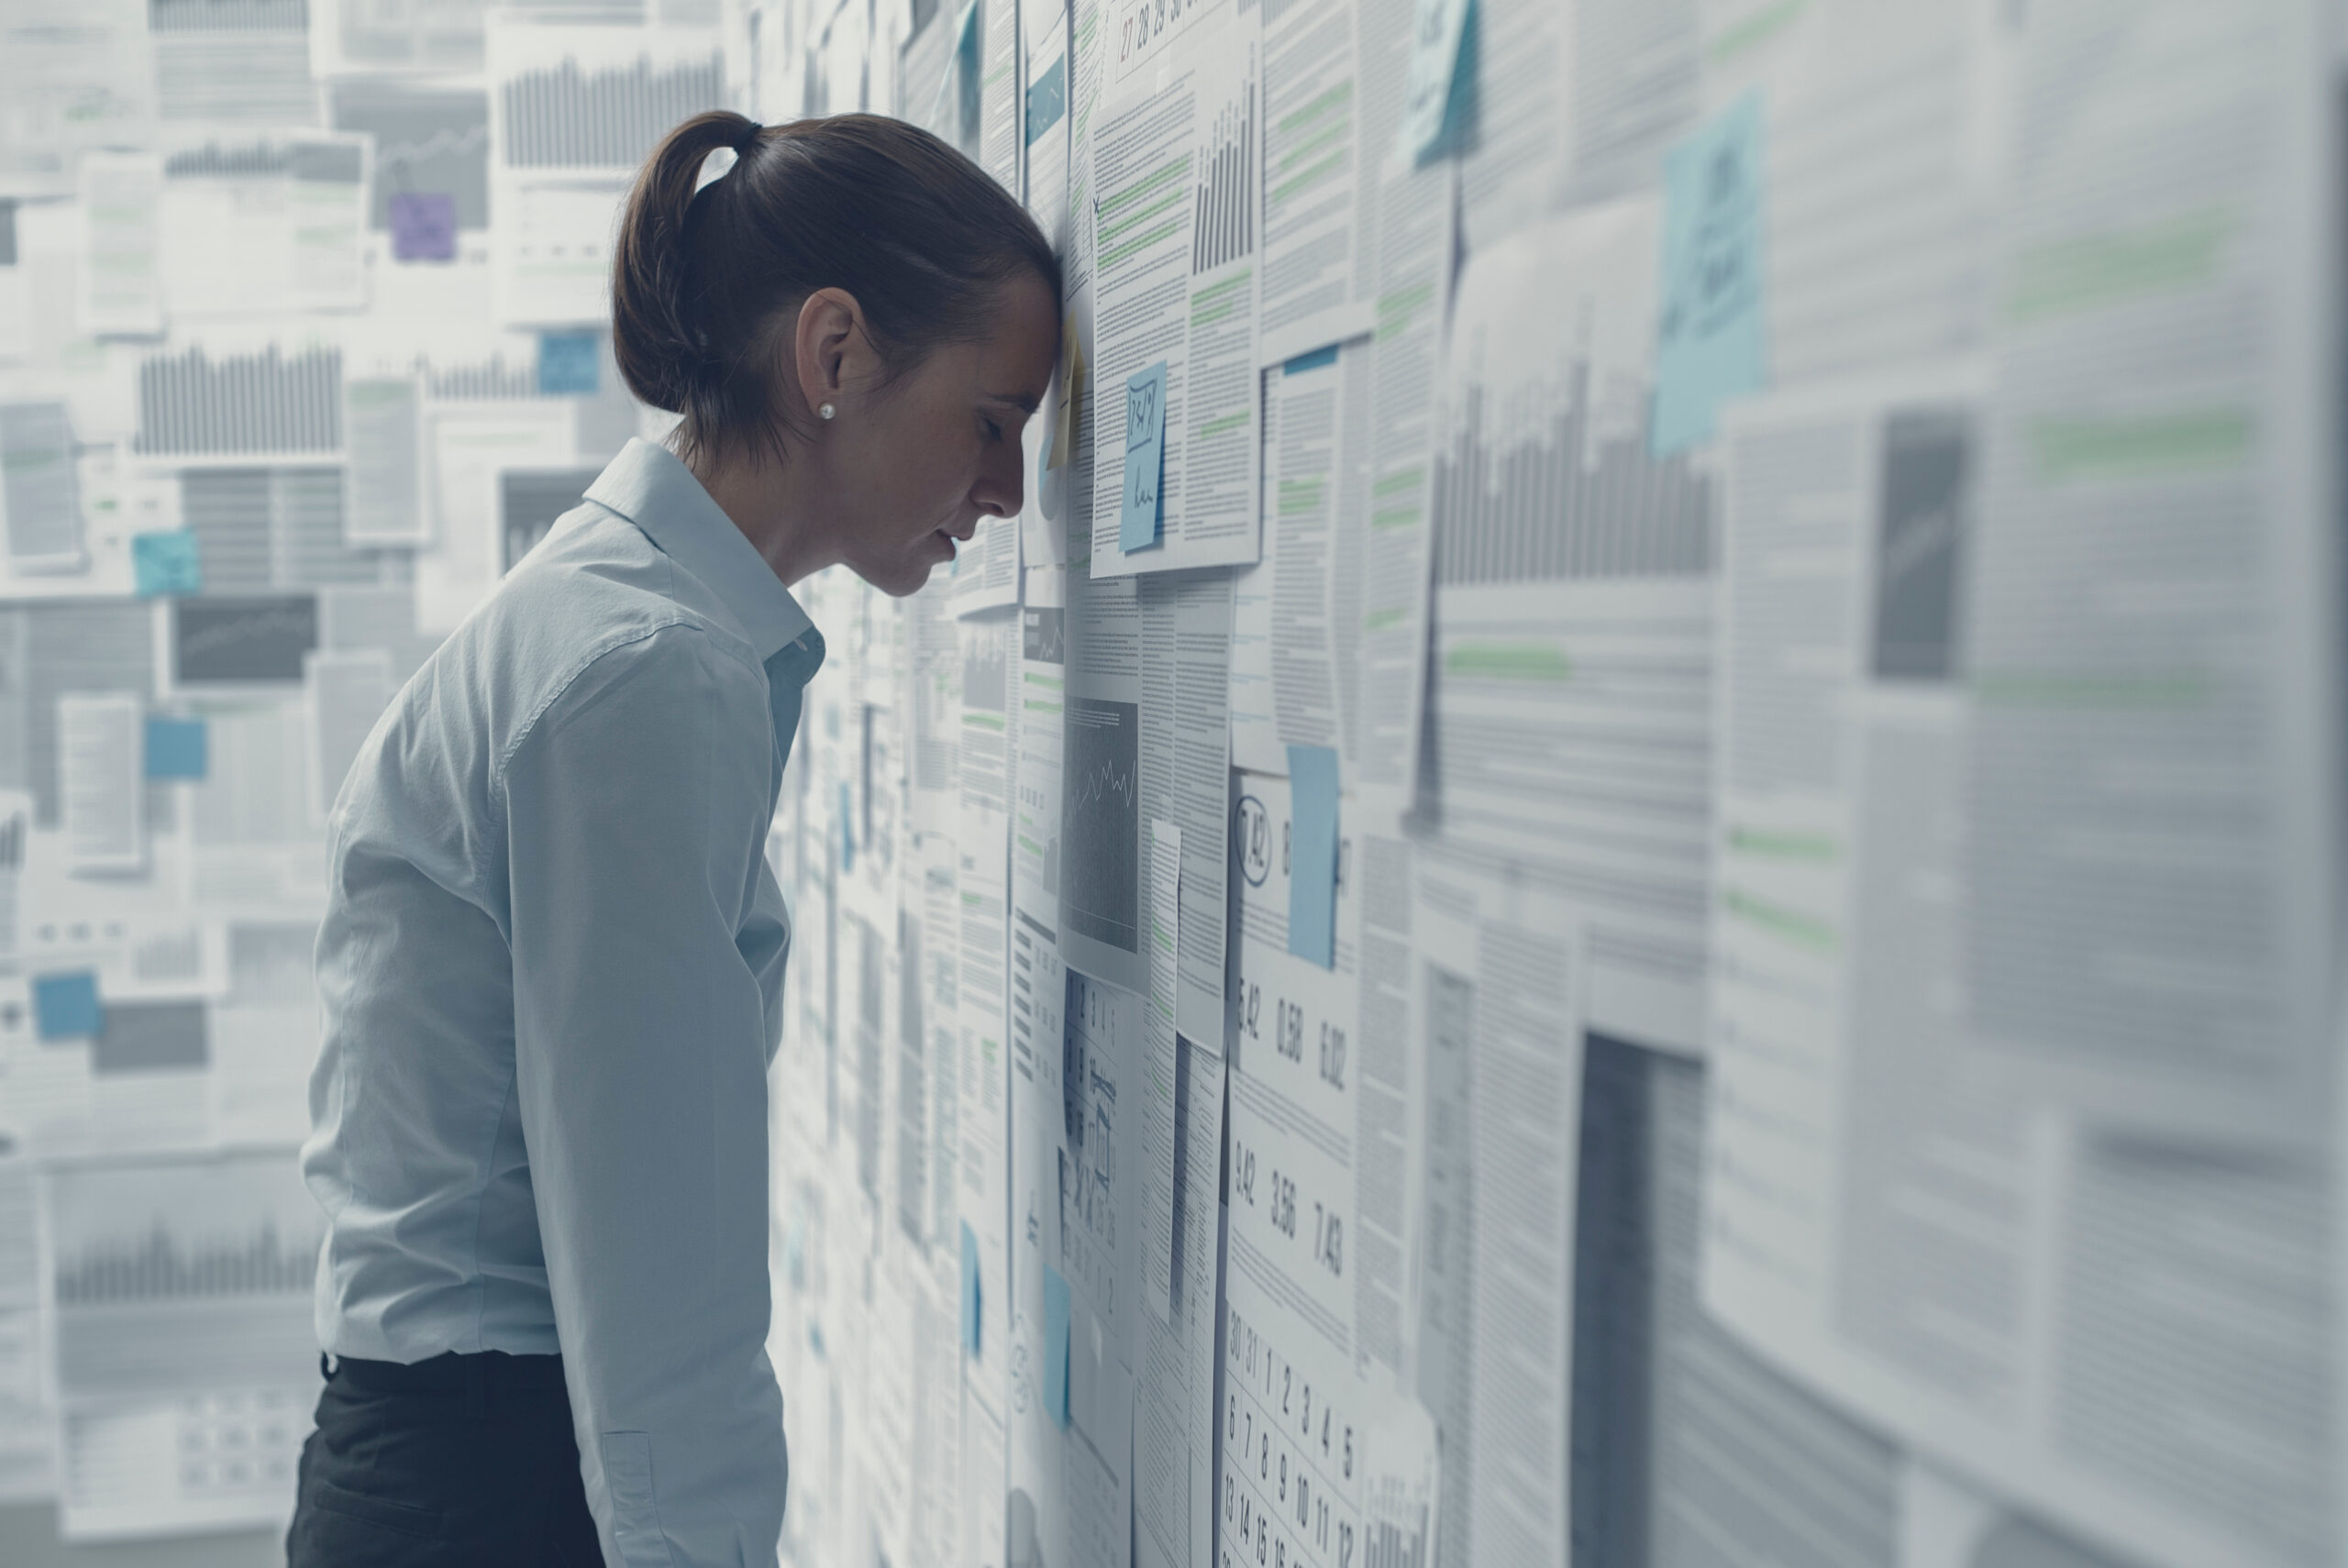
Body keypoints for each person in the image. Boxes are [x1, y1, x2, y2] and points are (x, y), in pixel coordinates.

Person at [289, 110, 1059, 1567]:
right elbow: (658, 1297)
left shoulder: (621, 625)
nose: (1009, 492)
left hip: (460, 1462)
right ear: (833, 354)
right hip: (494, 1485)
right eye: (993, 420)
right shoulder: (639, 669)